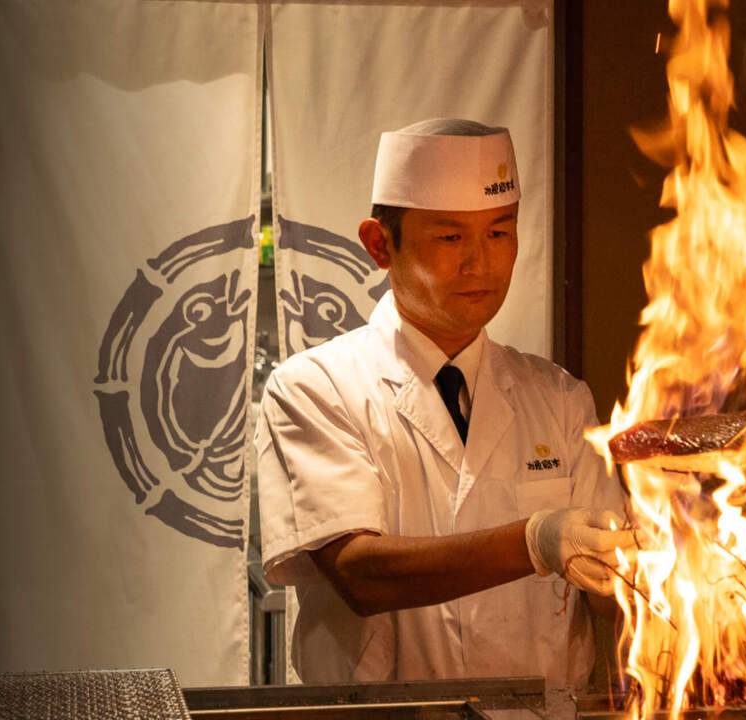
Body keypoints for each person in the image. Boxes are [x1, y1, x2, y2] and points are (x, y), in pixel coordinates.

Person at [255, 118, 632, 688]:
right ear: (380, 244)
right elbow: (360, 576)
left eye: (499, 234)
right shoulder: (315, 387)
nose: (481, 264)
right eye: (451, 238)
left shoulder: (557, 397)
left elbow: (618, 593)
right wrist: (538, 539)